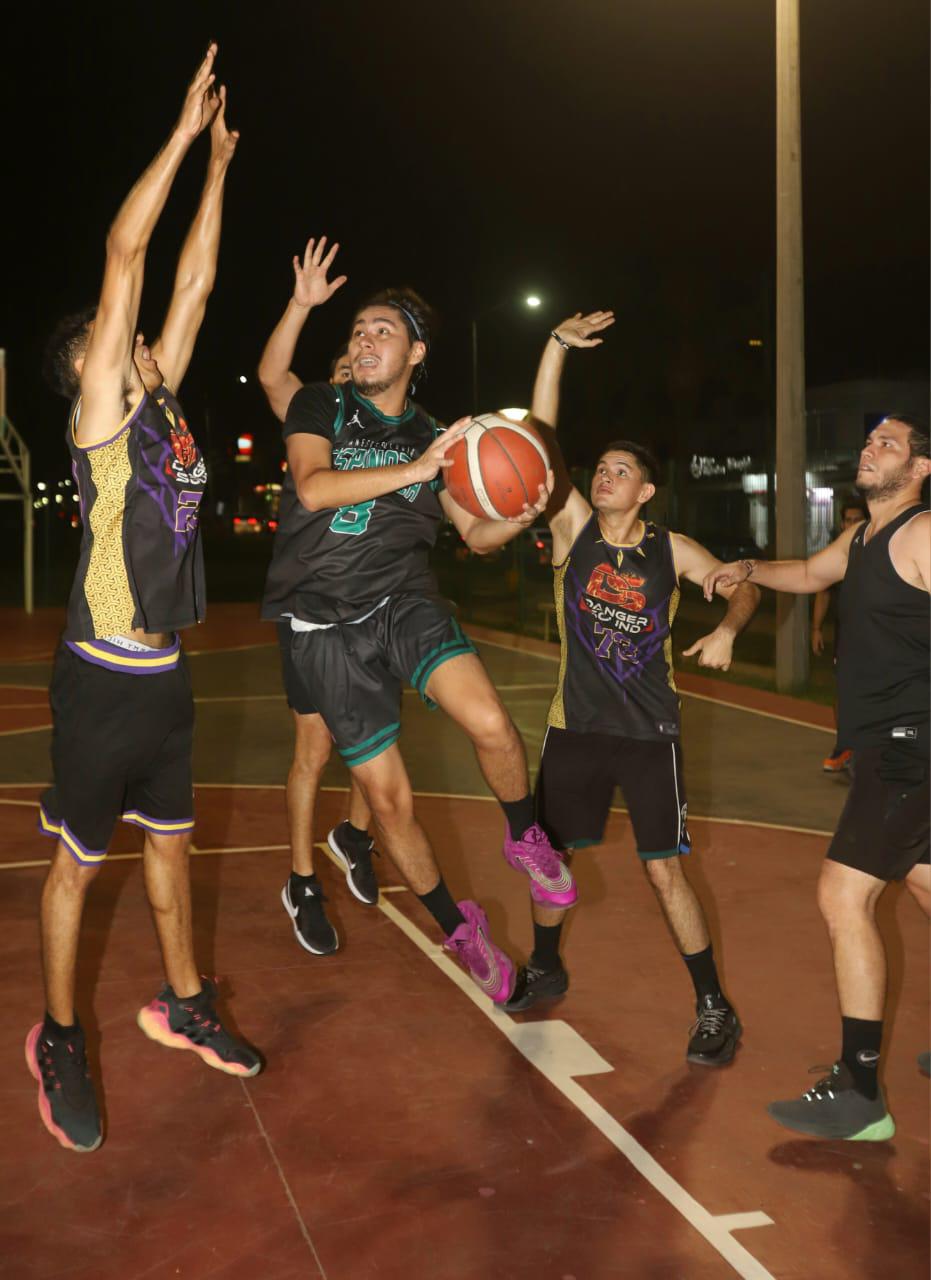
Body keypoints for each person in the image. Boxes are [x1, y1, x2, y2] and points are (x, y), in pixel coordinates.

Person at [31, 45, 260, 1155]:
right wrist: (175, 134)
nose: (125, 348)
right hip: (101, 676)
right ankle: (59, 1033)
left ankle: (184, 1002)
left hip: (165, 678)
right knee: (78, 864)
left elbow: (195, 281)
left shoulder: (163, 405)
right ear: (92, 371)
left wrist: (217, 169)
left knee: (170, 849)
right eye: (106, 348)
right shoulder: (100, 424)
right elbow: (130, 251)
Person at [262, 283, 574, 1005]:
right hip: (321, 627)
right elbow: (311, 489)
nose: (366, 339)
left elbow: (473, 533)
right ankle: (458, 930)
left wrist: (523, 514)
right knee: (388, 800)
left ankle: (525, 838)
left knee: (494, 724)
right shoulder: (323, 405)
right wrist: (415, 470)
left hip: (403, 602)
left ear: (415, 352)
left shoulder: (435, 433)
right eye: (360, 330)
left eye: (383, 331)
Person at [503, 311, 760, 1070]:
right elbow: (541, 444)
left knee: (661, 868)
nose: (604, 475)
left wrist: (728, 627)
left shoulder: (669, 547)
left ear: (644, 490)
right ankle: (546, 964)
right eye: (601, 469)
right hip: (575, 727)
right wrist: (553, 348)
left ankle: (713, 1005)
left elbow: (734, 584)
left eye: (620, 471)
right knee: (549, 857)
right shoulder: (572, 528)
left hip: (650, 734)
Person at [705, 414, 930, 1138]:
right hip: (892, 747)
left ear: (922, 466)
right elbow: (804, 574)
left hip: (912, 749)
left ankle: (859, 1092)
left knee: (842, 897)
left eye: (887, 444)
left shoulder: (922, 534)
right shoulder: (864, 536)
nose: (870, 450)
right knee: (924, 883)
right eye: (868, 442)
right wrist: (745, 569)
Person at [258, 236, 379, 955]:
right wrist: (301, 306)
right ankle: (302, 879)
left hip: (374, 603)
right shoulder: (311, 414)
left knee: (378, 742)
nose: (348, 375)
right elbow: (273, 370)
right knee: (317, 744)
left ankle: (355, 835)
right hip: (309, 602)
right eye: (338, 368)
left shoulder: (393, 437)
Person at [810, 496, 868, 772]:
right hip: (846, 637)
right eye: (848, 519)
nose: (852, 524)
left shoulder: (878, 549)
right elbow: (821, 589)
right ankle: (844, 744)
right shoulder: (838, 554)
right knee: (843, 691)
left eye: (857, 520)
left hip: (879, 638)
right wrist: (816, 628)